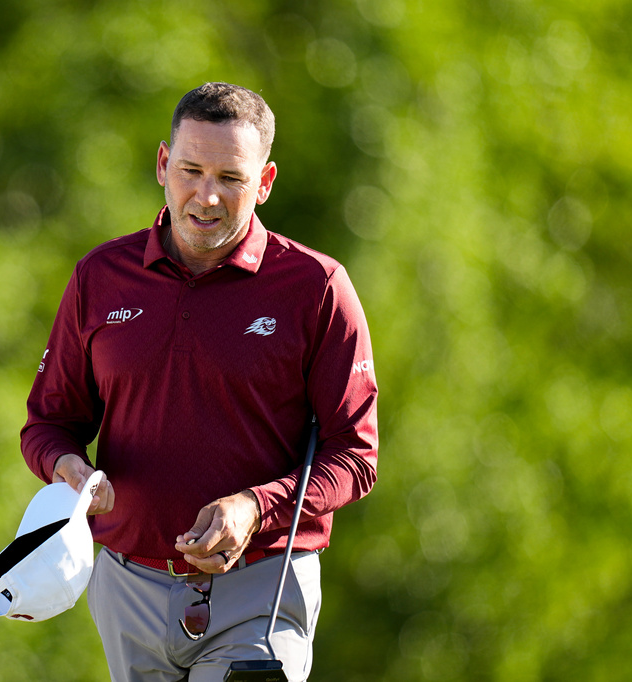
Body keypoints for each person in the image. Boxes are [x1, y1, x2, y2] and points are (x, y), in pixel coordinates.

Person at [20, 82, 378, 682]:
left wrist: (254, 508)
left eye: (231, 179)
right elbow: (49, 424)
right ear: (164, 164)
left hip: (262, 586)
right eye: (190, 170)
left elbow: (356, 456)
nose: (206, 196)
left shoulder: (318, 288)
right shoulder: (99, 277)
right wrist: (66, 470)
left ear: (263, 183)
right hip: (126, 586)